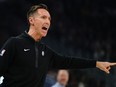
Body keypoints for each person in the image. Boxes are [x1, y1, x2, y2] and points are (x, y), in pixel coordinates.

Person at [0, 3, 116, 87]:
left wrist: (96, 63)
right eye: (43, 17)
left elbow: (69, 61)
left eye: (49, 19)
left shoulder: (46, 52)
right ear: (32, 20)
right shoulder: (14, 43)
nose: (48, 21)